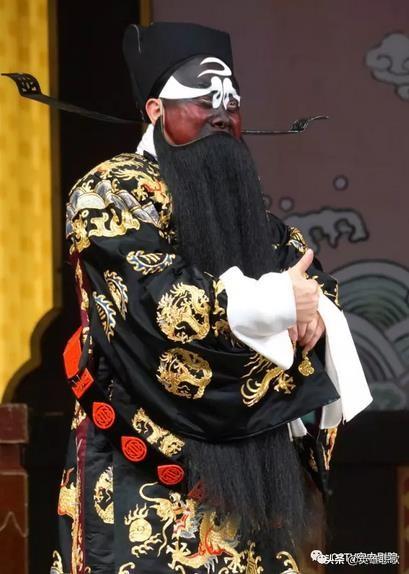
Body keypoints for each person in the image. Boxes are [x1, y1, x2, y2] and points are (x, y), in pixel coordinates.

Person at [51, 22, 372, 574]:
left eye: (232, 102)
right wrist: (276, 304)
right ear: (156, 110)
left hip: (252, 492)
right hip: (138, 476)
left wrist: (316, 313)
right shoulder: (112, 191)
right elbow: (153, 299)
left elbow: (305, 273)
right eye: (204, 100)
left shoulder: (244, 208)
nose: (223, 114)